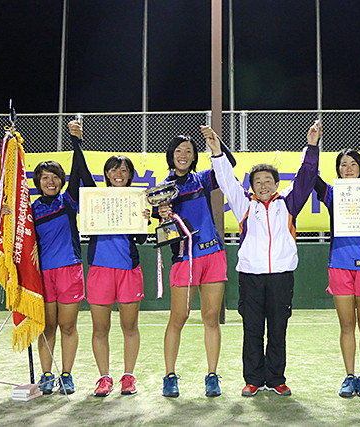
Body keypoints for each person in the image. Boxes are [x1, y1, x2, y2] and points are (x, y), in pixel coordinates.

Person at [205, 121, 321, 397]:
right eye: (258, 182)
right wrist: (216, 153)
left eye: (269, 181)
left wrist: (312, 146)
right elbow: (226, 181)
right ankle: (254, 379)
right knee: (253, 330)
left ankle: (276, 378)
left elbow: (306, 176)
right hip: (251, 277)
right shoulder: (244, 204)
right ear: (252, 186)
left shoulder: (288, 203)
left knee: (278, 330)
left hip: (282, 276)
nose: (264, 185)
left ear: (277, 184)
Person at [157, 132, 236, 398]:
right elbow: (160, 225)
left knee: (211, 318)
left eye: (189, 151)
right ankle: (170, 376)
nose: (184, 155)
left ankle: (212, 375)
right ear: (171, 154)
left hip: (212, 255)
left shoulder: (202, 179)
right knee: (178, 318)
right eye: (179, 150)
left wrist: (216, 142)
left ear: (194, 157)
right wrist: (160, 213)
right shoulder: (162, 188)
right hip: (183, 259)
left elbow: (230, 163)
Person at [28, 120, 93, 395]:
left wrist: (76, 142)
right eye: (45, 178)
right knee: (48, 327)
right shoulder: (30, 210)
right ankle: (46, 375)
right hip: (43, 276)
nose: (50, 181)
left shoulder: (68, 202)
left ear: (61, 180)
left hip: (70, 271)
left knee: (68, 326)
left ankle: (66, 374)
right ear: (38, 182)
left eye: (54, 177)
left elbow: (81, 173)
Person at [314, 149, 360, 398]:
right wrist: (312, 146)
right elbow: (311, 176)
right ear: (338, 170)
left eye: (353, 164)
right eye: (343, 165)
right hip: (340, 265)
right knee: (346, 326)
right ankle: (349, 376)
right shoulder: (332, 194)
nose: (348, 168)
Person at [87, 154, 150, 397]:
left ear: (130, 175)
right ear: (106, 174)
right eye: (114, 169)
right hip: (100, 270)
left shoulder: (137, 199)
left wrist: (145, 219)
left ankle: (128, 377)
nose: (119, 174)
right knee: (100, 329)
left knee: (129, 327)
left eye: (124, 170)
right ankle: (104, 378)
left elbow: (142, 239)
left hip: (128, 272)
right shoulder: (95, 199)